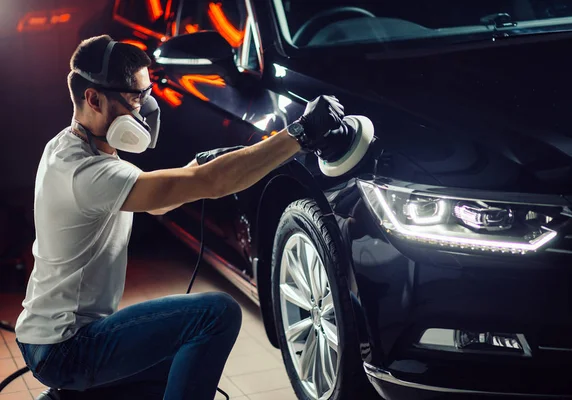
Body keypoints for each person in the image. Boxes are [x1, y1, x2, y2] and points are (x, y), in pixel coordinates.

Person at [13, 35, 345, 400]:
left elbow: (155, 202)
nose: (146, 109)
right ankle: (74, 389)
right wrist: (300, 133)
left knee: (179, 359)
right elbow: (212, 184)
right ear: (94, 99)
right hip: (66, 348)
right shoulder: (89, 174)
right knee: (215, 315)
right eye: (136, 98)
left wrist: (200, 165)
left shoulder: (70, 147)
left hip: (50, 338)